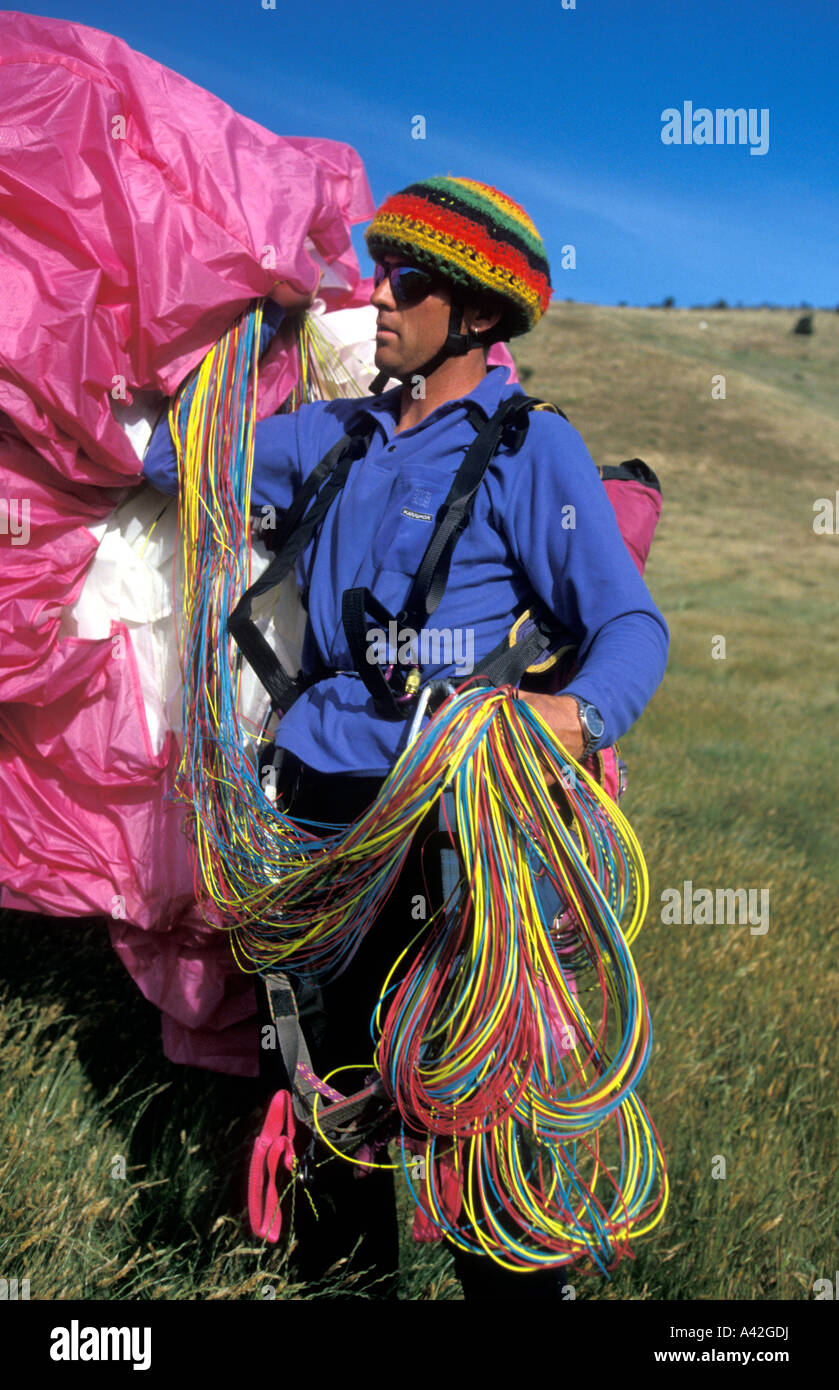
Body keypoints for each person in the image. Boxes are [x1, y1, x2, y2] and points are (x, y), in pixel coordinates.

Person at [142, 175, 669, 1300]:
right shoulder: (336, 436)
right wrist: (252, 316)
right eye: (380, 272)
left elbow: (625, 623)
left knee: (471, 1110)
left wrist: (564, 713)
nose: (378, 298)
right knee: (326, 1106)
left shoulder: (532, 454)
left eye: (408, 281)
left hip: (442, 834)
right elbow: (174, 460)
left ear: (476, 314)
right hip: (304, 826)